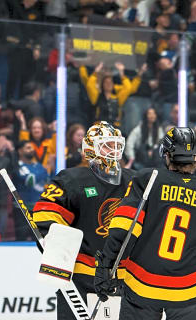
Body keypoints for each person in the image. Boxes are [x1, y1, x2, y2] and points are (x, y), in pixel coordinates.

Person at [96, 127, 196, 319]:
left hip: (142, 284)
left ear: (166, 153)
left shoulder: (148, 179)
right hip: (190, 289)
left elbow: (124, 228)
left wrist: (105, 265)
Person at [31, 121, 135, 320]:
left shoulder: (135, 182)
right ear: (90, 148)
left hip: (126, 277)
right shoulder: (72, 180)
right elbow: (46, 214)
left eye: (116, 144)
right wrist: (51, 238)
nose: (113, 150)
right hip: (81, 277)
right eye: (107, 144)